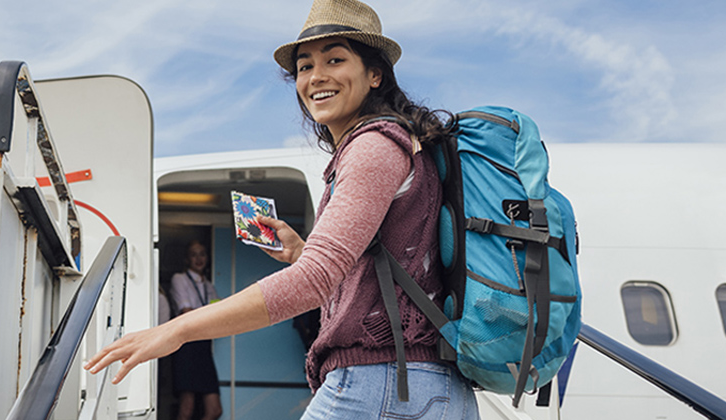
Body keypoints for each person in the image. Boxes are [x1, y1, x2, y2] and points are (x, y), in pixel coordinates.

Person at [86, 0, 479, 418]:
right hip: (423, 386)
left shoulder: (373, 147)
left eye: (335, 59)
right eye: (305, 66)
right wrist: (300, 251)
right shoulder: (396, 145)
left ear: (375, 74)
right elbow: (384, 267)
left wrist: (177, 329)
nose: (316, 77)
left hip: (380, 382)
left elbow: (313, 282)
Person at [166, 240, 222, 420]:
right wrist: (210, 316)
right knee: (187, 408)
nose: (199, 258)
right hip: (187, 346)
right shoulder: (179, 279)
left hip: (204, 348)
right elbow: (187, 313)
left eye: (202, 254)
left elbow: (220, 315)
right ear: (187, 259)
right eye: (194, 254)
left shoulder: (208, 285)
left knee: (215, 410)